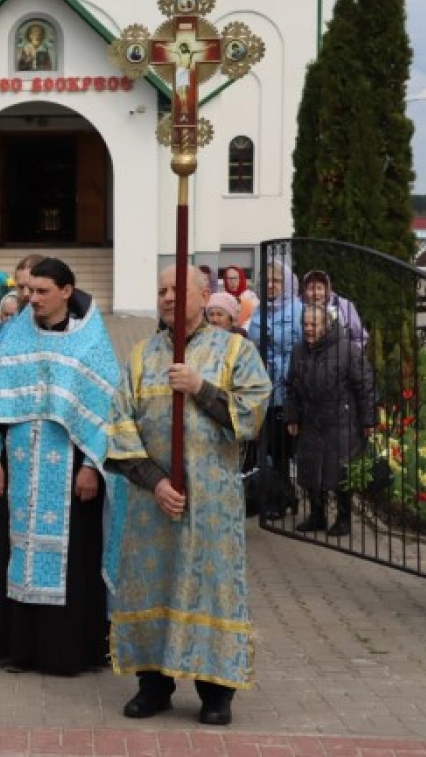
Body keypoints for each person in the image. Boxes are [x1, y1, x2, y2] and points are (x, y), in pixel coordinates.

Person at [106, 265, 271, 726]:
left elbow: (256, 410)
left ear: (205, 295)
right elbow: (120, 425)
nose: (168, 298)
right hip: (152, 503)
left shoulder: (235, 350)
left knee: (210, 590)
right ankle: (152, 686)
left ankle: (215, 692)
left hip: (212, 504)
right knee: (152, 585)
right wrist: (156, 482)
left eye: (178, 289)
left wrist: (200, 388)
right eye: (160, 290)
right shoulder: (140, 356)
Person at [0, 258, 119, 675]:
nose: (33, 299)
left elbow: (107, 412)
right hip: (19, 470)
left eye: (43, 292)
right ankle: (21, 649)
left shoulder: (92, 343)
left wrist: (90, 466)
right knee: (18, 557)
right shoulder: (13, 337)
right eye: (30, 291)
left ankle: (71, 652)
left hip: (71, 476)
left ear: (66, 291)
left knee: (76, 564)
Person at [284, 303, 376, 537]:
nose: (308, 329)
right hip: (311, 418)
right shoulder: (298, 351)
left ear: (326, 325)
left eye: (313, 324)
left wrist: (368, 421)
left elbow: (364, 386)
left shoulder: (348, 350)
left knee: (340, 469)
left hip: (342, 418)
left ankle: (343, 518)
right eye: (305, 324)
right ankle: (317, 515)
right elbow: (291, 387)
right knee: (311, 467)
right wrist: (292, 416)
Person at [247, 259, 303, 507]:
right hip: (266, 389)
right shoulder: (259, 313)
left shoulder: (299, 311)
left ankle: (306, 498)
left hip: (293, 389)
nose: (271, 285)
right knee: (273, 449)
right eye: (267, 281)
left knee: (293, 448)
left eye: (276, 281)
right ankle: (283, 497)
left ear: (287, 283)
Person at [301, 270, 366, 346]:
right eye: (311, 288)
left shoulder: (344, 305)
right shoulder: (298, 307)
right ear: (305, 291)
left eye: (320, 288)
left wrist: (350, 353)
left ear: (328, 289)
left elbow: (360, 337)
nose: (316, 293)